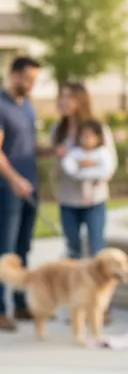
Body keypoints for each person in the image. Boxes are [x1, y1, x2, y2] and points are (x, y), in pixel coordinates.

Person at [0, 56, 52, 331]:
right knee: (5, 251)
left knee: (23, 248)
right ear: (14, 75)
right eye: (29, 79)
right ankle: (0, 309)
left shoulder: (28, 108)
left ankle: (22, 304)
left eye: (35, 79)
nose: (32, 84)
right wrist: (14, 179)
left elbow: (26, 145)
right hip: (7, 189)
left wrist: (50, 152)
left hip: (29, 186)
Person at [51, 84, 118, 260]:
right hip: (68, 199)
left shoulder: (97, 128)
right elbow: (58, 165)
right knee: (73, 250)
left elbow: (109, 162)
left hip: (95, 199)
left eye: (68, 97)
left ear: (80, 101)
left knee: (97, 250)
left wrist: (89, 167)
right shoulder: (58, 131)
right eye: (62, 96)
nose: (63, 101)